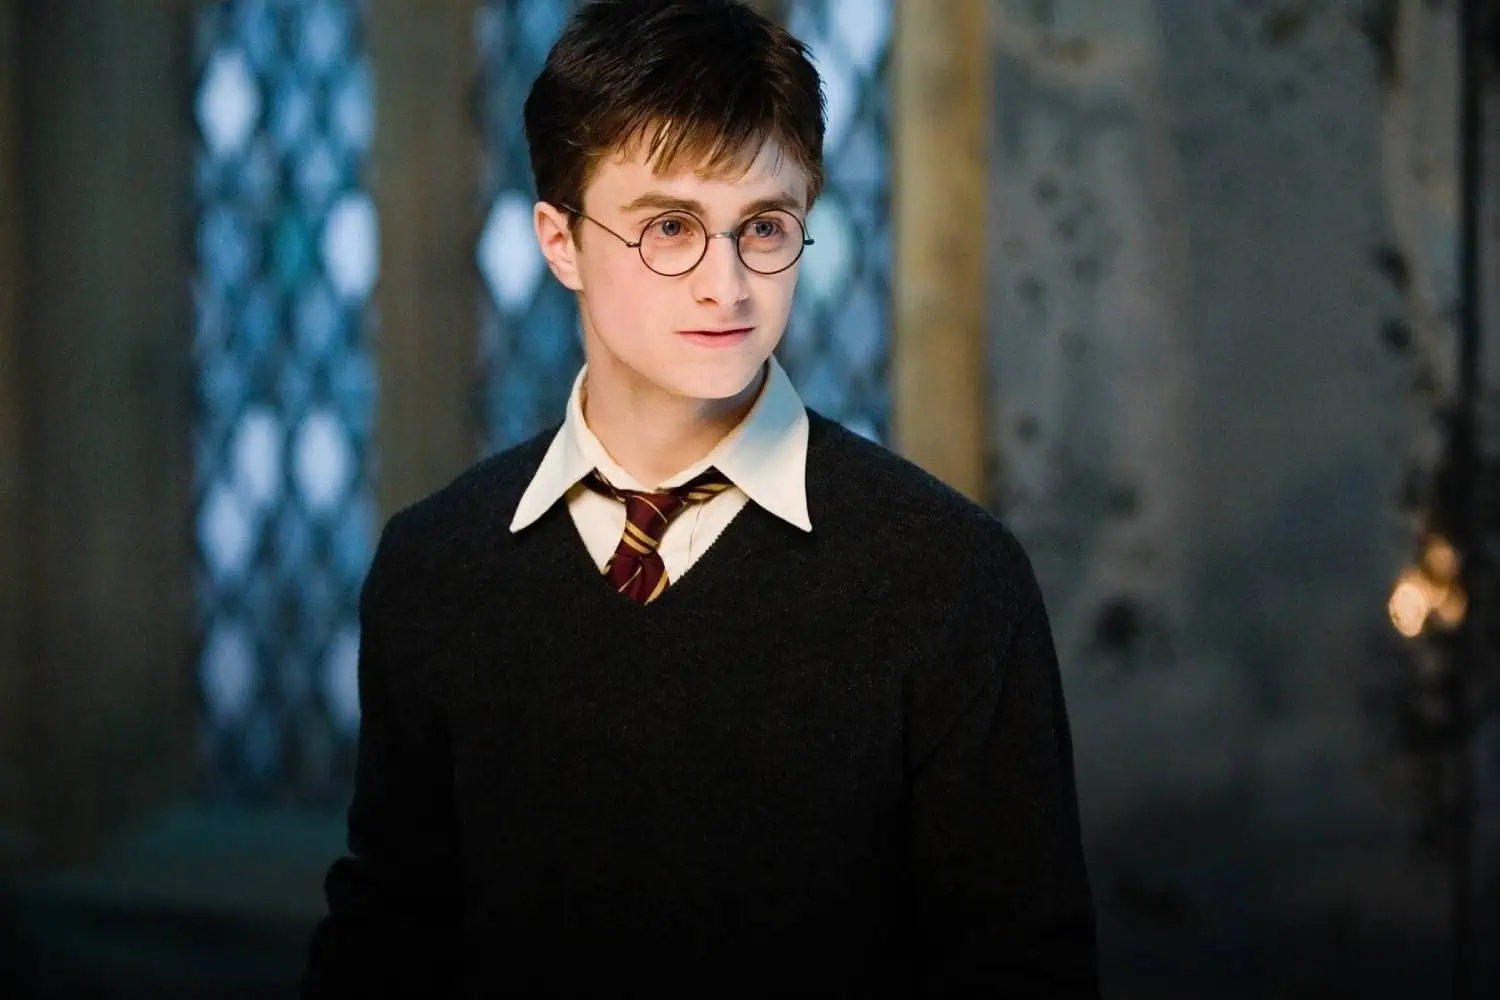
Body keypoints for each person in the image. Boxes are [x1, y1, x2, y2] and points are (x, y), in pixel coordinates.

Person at [301, 1, 1097, 996]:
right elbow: (387, 941)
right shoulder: (436, 566)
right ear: (559, 241)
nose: (727, 284)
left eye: (763, 227)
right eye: (669, 227)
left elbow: (1024, 969)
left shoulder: (949, 577)